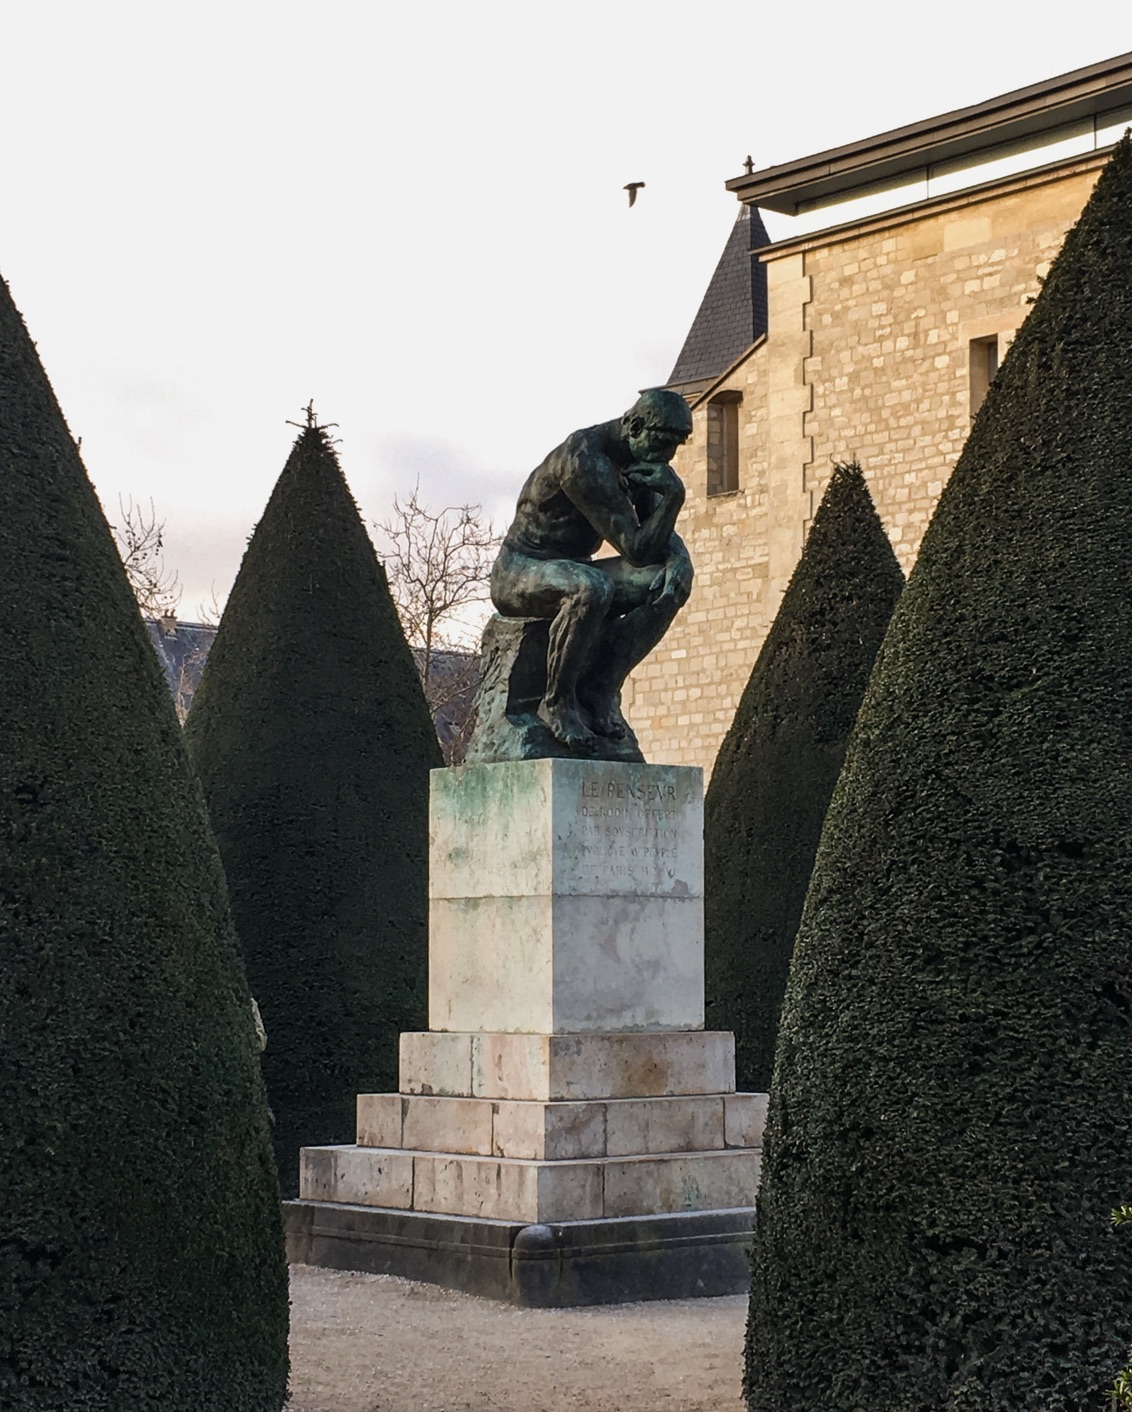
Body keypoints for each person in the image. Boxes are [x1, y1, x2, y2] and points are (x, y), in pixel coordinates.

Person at [490, 387, 693, 752]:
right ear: (633, 425)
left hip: (575, 567)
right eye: (662, 442)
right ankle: (557, 703)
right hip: (522, 569)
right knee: (591, 587)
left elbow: (654, 536)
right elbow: (636, 546)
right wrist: (674, 498)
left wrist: (681, 561)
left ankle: (600, 689)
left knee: (665, 583)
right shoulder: (585, 459)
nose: (668, 455)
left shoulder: (639, 459)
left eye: (676, 445)